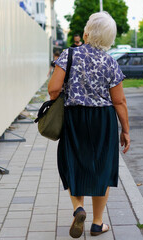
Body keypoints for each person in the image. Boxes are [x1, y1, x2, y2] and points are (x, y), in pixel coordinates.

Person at [48, 12, 130, 238]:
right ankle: (97, 223)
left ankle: (78, 209)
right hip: (103, 120)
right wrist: (125, 130)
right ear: (109, 38)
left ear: (87, 32)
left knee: (73, 162)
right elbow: (119, 101)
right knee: (101, 168)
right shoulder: (110, 62)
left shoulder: (69, 55)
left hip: (74, 118)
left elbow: (54, 90)